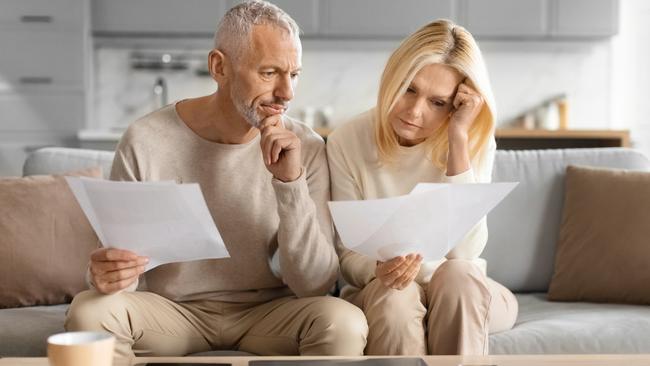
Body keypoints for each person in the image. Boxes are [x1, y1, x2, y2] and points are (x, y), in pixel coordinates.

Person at [65, 0, 368, 358]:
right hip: (171, 313)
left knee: (344, 321)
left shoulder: (306, 147)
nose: (287, 93)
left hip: (269, 313)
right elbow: (123, 274)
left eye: (295, 74)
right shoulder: (146, 140)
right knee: (89, 310)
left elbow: (314, 284)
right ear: (219, 67)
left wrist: (290, 184)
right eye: (269, 73)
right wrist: (107, 275)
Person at [327, 19, 518, 356]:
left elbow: (466, 253)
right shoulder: (347, 140)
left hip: (460, 289)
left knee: (458, 275)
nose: (415, 112)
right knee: (395, 299)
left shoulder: (472, 140)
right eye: (409, 89)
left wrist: (458, 141)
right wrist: (377, 269)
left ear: (457, 104)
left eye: (438, 103)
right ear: (392, 78)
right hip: (384, 289)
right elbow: (347, 255)